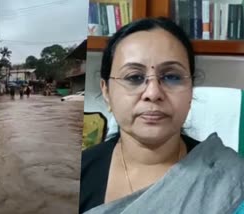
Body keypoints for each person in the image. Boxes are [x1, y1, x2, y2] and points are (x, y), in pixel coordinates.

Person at [79, 17, 244, 214]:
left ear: (191, 90)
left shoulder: (230, 178)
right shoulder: (78, 174)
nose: (153, 93)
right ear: (106, 91)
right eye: (134, 77)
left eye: (172, 77)